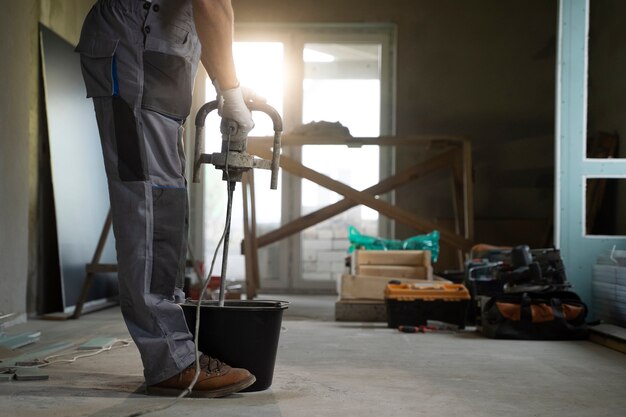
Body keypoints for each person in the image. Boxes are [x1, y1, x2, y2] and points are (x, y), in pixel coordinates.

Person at [76, 0, 255, 397]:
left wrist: (228, 85)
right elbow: (212, 4)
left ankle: (175, 346)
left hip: (160, 46)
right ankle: (170, 360)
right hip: (137, 44)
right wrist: (229, 89)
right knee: (150, 199)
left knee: (166, 199)